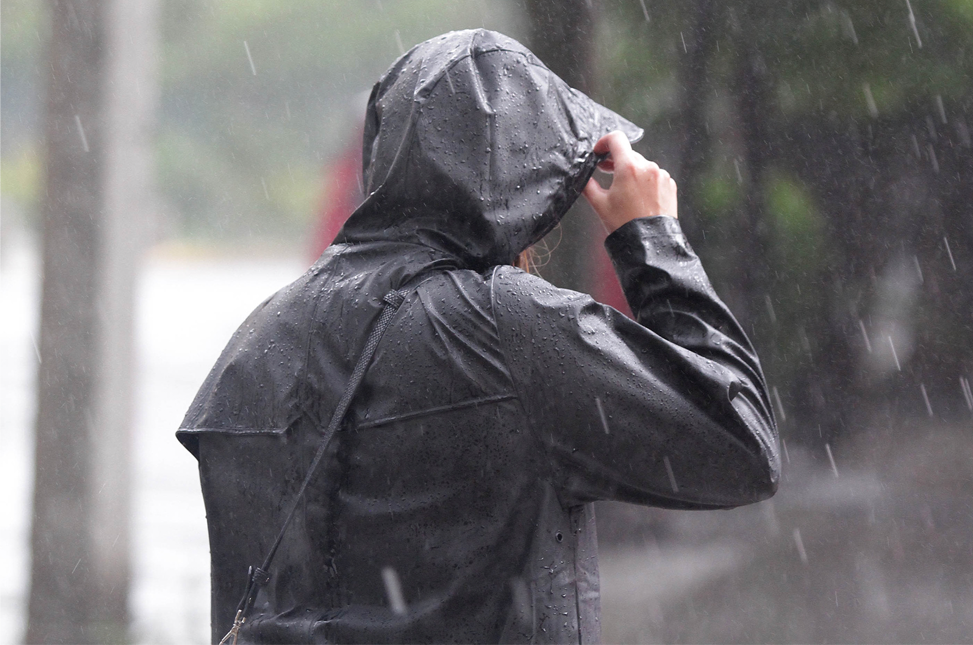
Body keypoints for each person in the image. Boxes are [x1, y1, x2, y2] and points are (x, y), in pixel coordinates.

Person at [178, 30, 778, 643]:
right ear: (528, 191)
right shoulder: (506, 328)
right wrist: (651, 238)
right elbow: (741, 445)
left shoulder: (255, 345)